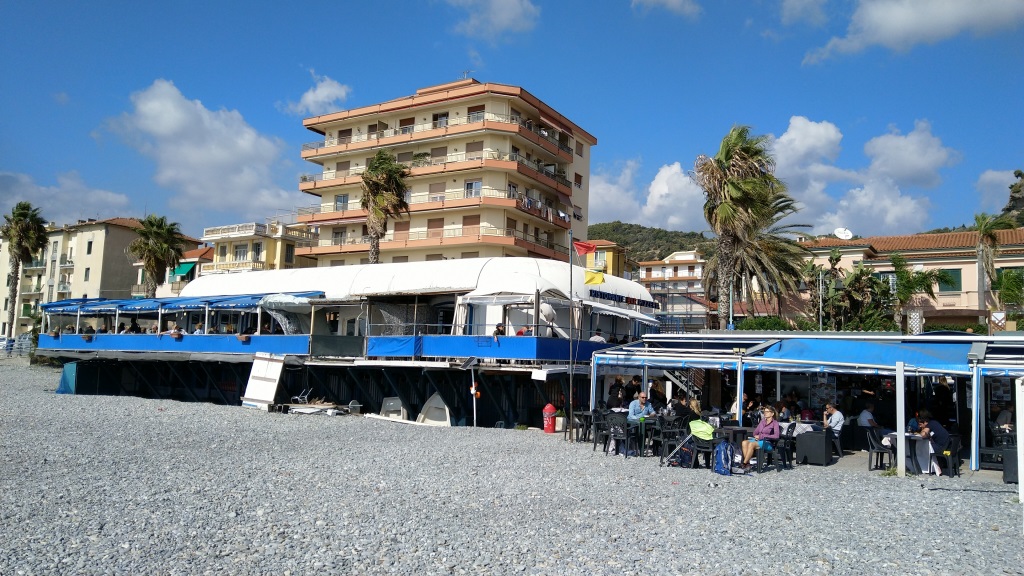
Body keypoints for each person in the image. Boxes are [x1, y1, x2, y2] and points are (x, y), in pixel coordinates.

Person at [917, 408, 950, 475]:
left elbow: (923, 435)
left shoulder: (930, 425)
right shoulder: (934, 423)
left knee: (922, 448)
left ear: (925, 422)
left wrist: (922, 430)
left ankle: (924, 467)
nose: (920, 426)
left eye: (920, 424)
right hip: (946, 445)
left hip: (941, 447)